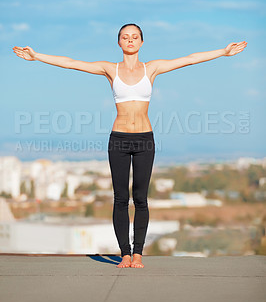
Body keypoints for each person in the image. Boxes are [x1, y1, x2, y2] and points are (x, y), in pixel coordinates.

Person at [12, 24, 247, 268]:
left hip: (145, 139)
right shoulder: (110, 69)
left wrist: (223, 51)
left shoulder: (151, 68)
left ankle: (138, 254)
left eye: (135, 37)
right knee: (121, 198)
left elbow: (188, 59)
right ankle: (125, 253)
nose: (130, 40)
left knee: (141, 198)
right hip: (119, 140)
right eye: (125, 37)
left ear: (142, 42)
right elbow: (71, 62)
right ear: (119, 43)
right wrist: (36, 56)